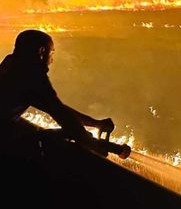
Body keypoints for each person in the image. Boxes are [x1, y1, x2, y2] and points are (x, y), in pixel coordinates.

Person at [0, 29, 129, 159]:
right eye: (51, 53)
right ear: (42, 51)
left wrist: (95, 123)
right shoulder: (32, 75)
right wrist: (92, 143)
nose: (51, 60)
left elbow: (56, 108)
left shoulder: (11, 64)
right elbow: (63, 116)